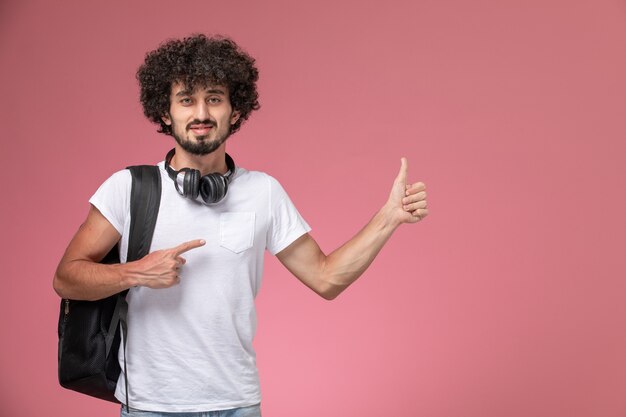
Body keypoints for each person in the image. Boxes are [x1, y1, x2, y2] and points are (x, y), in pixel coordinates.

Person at [53, 34, 429, 417]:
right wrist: (135, 273)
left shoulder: (263, 192)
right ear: (165, 113)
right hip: (151, 405)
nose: (201, 113)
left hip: (238, 404)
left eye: (214, 98)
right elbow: (66, 278)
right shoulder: (127, 188)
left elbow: (326, 278)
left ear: (235, 111)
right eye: (186, 100)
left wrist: (389, 217)